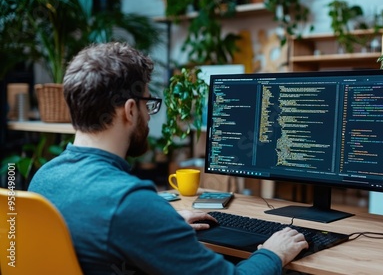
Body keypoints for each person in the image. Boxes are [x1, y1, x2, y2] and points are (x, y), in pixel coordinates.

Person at [28, 42, 308, 274]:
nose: (149, 115)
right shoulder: (128, 200)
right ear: (129, 110)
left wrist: (160, 224)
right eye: (148, 104)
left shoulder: (43, 178)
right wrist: (274, 253)